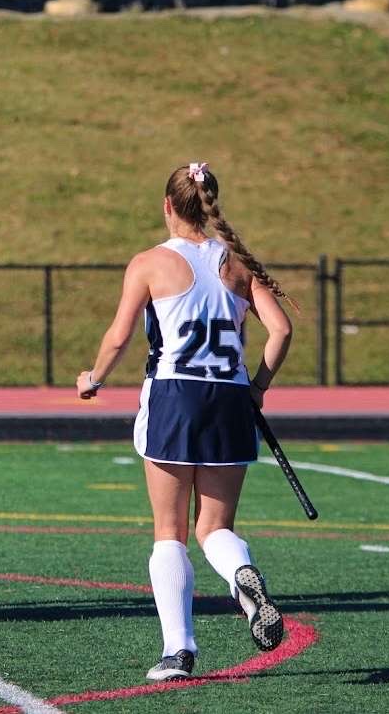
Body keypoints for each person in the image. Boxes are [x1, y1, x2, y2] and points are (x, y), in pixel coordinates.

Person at [76, 163, 294, 681]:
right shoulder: (238, 264)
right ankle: (242, 573)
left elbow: (119, 337)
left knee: (169, 532)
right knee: (215, 527)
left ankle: (179, 651)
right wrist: (257, 387)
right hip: (229, 400)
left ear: (168, 206)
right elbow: (281, 330)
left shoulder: (151, 262)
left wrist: (94, 378)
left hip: (175, 396)